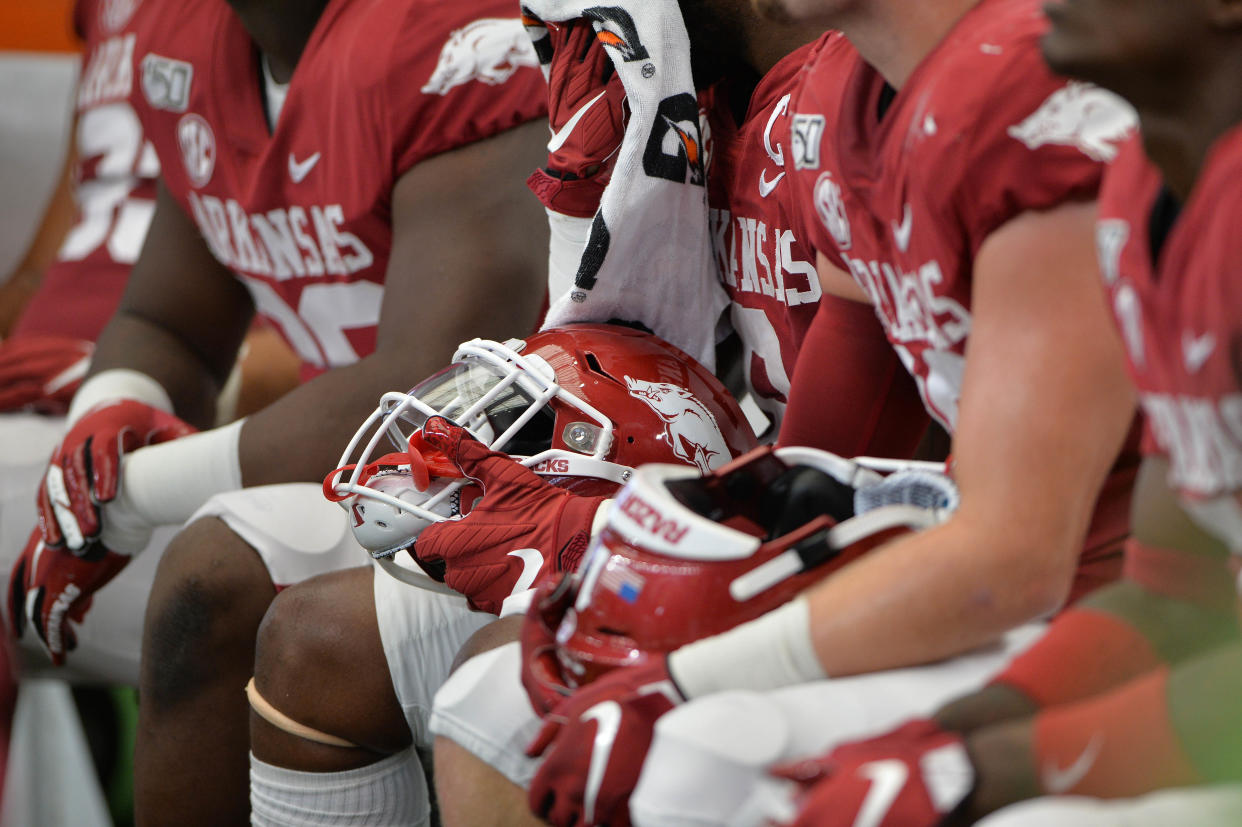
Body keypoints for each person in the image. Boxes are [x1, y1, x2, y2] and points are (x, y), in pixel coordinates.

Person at [422, 0, 1145, 823]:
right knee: (501, 697)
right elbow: (812, 474)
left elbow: (1011, 552)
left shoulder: (1031, 104)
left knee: (700, 751)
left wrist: (688, 674)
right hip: (1007, 573)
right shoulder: (846, 95)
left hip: (1097, 598)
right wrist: (619, 545)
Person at [8, 0, 551, 821]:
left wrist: (133, 492)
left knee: (216, 572)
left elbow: (435, 383)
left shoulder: (455, 33)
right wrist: (111, 411)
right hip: (363, 477)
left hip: (531, 475)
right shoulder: (184, 38)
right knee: (209, 582)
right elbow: (169, 323)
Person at [771, 1, 1242, 823]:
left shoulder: (1032, 128)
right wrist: (946, 736)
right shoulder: (1147, 178)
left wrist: (989, 770)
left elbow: (1013, 557)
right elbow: (1176, 590)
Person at [246, 323, 759, 826]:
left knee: (497, 675)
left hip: (749, 586)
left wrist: (596, 532)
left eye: (532, 436)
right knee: (314, 635)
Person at [0, 0, 299, 683]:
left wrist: (118, 390)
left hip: (178, 412)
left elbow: (369, 319)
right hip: (57, 394)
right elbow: (47, 268)